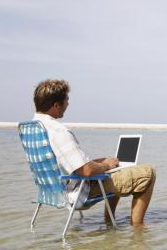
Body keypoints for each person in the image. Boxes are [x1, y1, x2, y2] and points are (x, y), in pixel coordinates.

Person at [32, 79, 156, 226]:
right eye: (67, 100)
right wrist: (105, 165)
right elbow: (87, 170)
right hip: (77, 192)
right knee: (148, 173)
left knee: (114, 168)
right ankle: (138, 230)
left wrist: (102, 163)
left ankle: (109, 220)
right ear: (56, 105)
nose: (68, 104)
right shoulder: (58, 131)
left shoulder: (35, 128)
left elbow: (68, 164)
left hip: (52, 191)